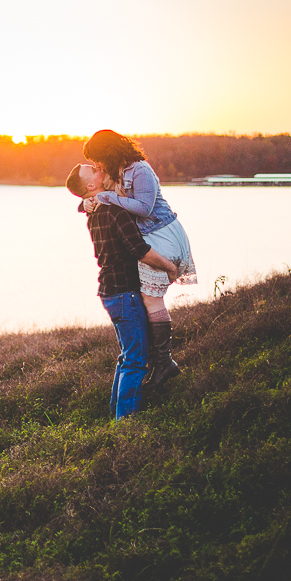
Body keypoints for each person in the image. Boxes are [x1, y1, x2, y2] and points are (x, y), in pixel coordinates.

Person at [82, 130, 197, 387]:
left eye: (97, 160)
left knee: (150, 297)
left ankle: (164, 363)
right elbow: (94, 191)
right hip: (149, 235)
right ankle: (161, 362)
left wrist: (106, 197)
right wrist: (88, 203)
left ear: (107, 152)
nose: (97, 166)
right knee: (147, 297)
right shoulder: (117, 172)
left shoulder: (140, 169)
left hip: (162, 232)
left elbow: (144, 208)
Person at [66, 162, 180, 419]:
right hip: (123, 293)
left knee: (128, 356)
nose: (100, 169)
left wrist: (84, 202)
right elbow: (139, 249)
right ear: (92, 185)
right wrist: (170, 267)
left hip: (111, 292)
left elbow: (85, 202)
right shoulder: (112, 210)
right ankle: (125, 423)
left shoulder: (95, 209)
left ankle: (116, 417)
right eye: (93, 170)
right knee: (135, 360)